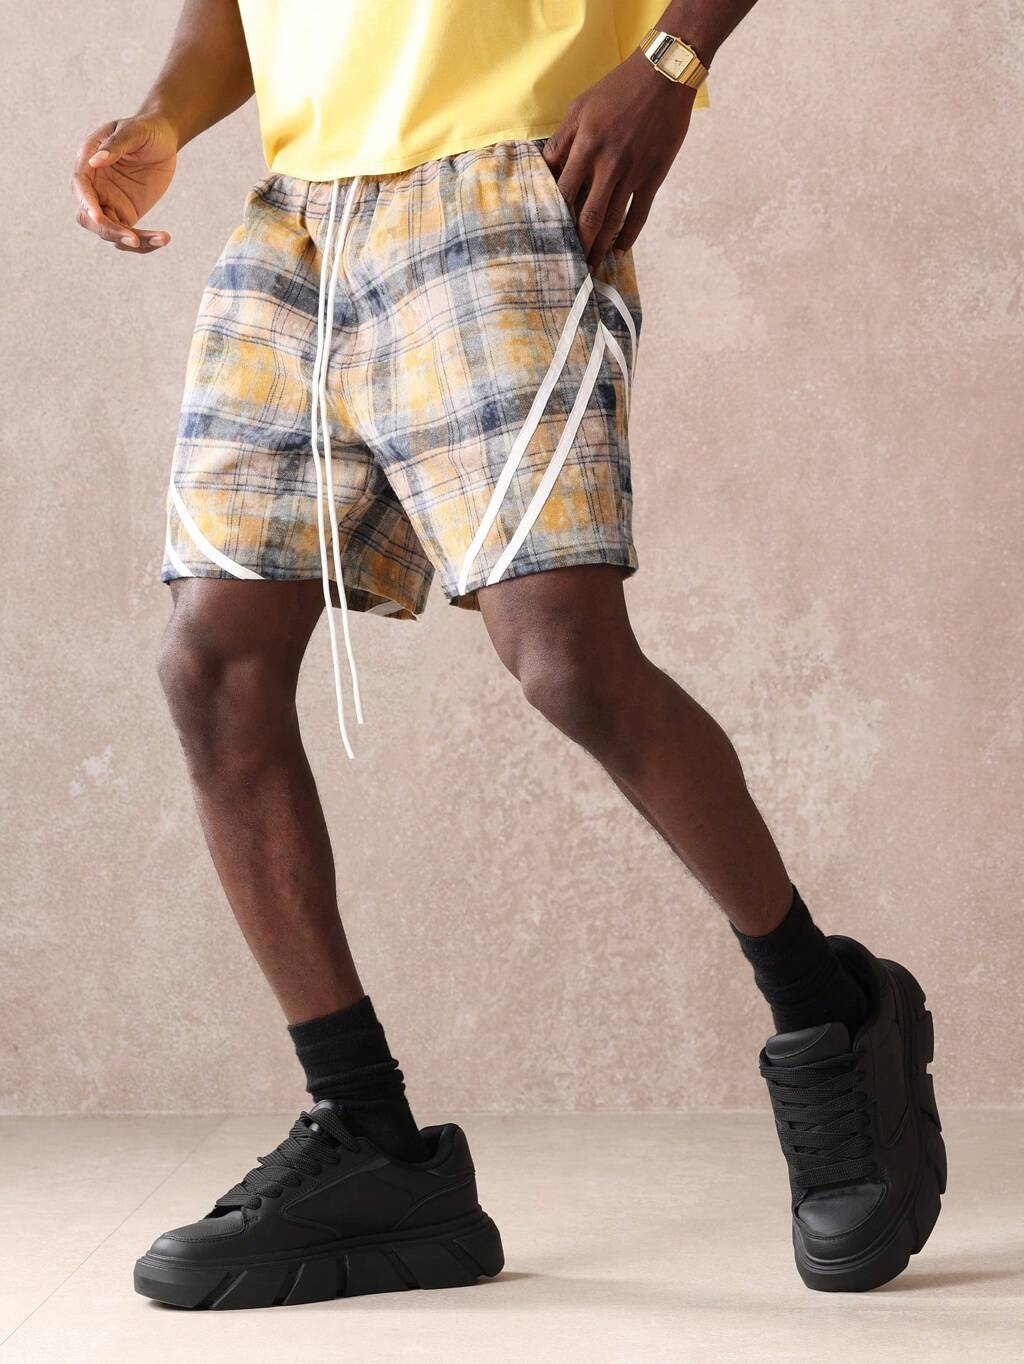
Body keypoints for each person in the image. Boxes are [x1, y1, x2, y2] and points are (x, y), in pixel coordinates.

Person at [72, 0, 945, 1310]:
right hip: (297, 220)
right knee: (210, 666)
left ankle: (831, 1014)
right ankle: (370, 1134)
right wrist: (164, 116)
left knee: (565, 660)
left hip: (507, 174)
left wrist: (671, 62)